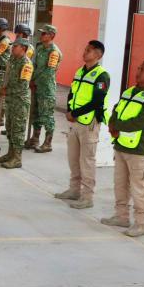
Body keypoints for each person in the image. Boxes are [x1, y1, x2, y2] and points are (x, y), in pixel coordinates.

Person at [102, 60, 144, 238]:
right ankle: (121, 216)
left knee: (138, 188)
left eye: (141, 70)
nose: (137, 71)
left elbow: (142, 120)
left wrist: (117, 127)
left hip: (139, 150)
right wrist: (113, 124)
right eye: (138, 68)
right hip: (121, 145)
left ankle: (141, 224)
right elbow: (116, 110)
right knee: (120, 184)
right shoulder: (130, 91)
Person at [55, 40, 109, 205]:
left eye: (89, 50)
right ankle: (74, 190)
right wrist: (68, 110)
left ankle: (87, 197)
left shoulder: (101, 75)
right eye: (85, 49)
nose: (85, 52)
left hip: (89, 124)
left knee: (87, 160)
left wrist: (75, 113)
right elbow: (72, 93)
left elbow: (97, 101)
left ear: (98, 55)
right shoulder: (80, 71)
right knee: (74, 158)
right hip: (75, 122)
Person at [0, 38, 34, 169]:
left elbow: (23, 86)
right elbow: (5, 78)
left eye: (15, 46)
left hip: (19, 102)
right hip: (10, 100)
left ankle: (17, 158)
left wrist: (6, 90)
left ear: (23, 48)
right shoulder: (12, 60)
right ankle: (10, 153)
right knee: (10, 127)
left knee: (18, 130)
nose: (12, 48)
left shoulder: (26, 64)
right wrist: (2, 87)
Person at [28, 24, 62, 153]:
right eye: (41, 33)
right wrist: (31, 80)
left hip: (46, 88)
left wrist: (35, 80)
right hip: (36, 85)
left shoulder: (54, 52)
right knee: (35, 113)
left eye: (44, 33)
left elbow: (49, 72)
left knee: (46, 115)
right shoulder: (41, 49)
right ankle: (35, 138)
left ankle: (47, 143)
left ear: (51, 35)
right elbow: (34, 65)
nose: (41, 35)